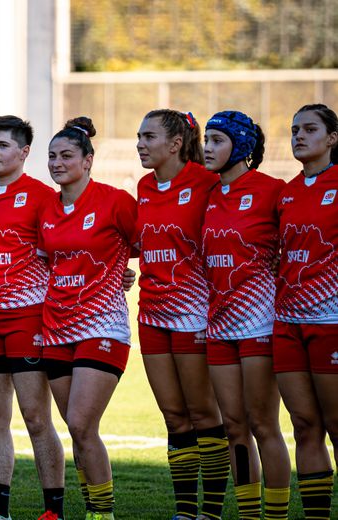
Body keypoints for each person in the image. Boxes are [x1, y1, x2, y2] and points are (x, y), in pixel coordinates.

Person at [38, 117, 137, 520]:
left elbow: (147, 243)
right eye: (52, 156)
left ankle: (102, 514)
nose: (57, 163)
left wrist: (124, 270)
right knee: (77, 430)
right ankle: (93, 509)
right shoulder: (46, 208)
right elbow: (46, 263)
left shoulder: (116, 201)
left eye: (66, 156)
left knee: (81, 424)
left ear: (88, 160)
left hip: (103, 325)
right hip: (55, 327)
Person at [0, 115, 65, 520]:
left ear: (24, 152)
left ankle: (53, 511)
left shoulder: (43, 196)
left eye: (3, 145)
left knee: (36, 417)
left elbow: (66, 249)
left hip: (27, 319)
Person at [134, 109, 229, 520]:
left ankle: (211, 511)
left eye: (148, 137)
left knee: (204, 413)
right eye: (139, 136)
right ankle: (185, 511)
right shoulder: (143, 186)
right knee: (174, 417)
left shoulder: (206, 182)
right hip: (151, 314)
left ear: (175, 144)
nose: (140, 144)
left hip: (195, 314)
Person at [202, 110, 291, 520]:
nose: (207, 147)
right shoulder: (208, 194)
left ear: (240, 145)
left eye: (217, 140)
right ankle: (250, 514)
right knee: (234, 426)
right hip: (219, 325)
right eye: (206, 139)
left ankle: (275, 515)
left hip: (260, 324)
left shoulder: (273, 190)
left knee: (263, 424)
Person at [275, 103, 338, 520]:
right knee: (304, 425)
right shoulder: (286, 193)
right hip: (287, 324)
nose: (299, 135)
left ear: (332, 138)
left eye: (310, 129)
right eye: (295, 129)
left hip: (331, 323)